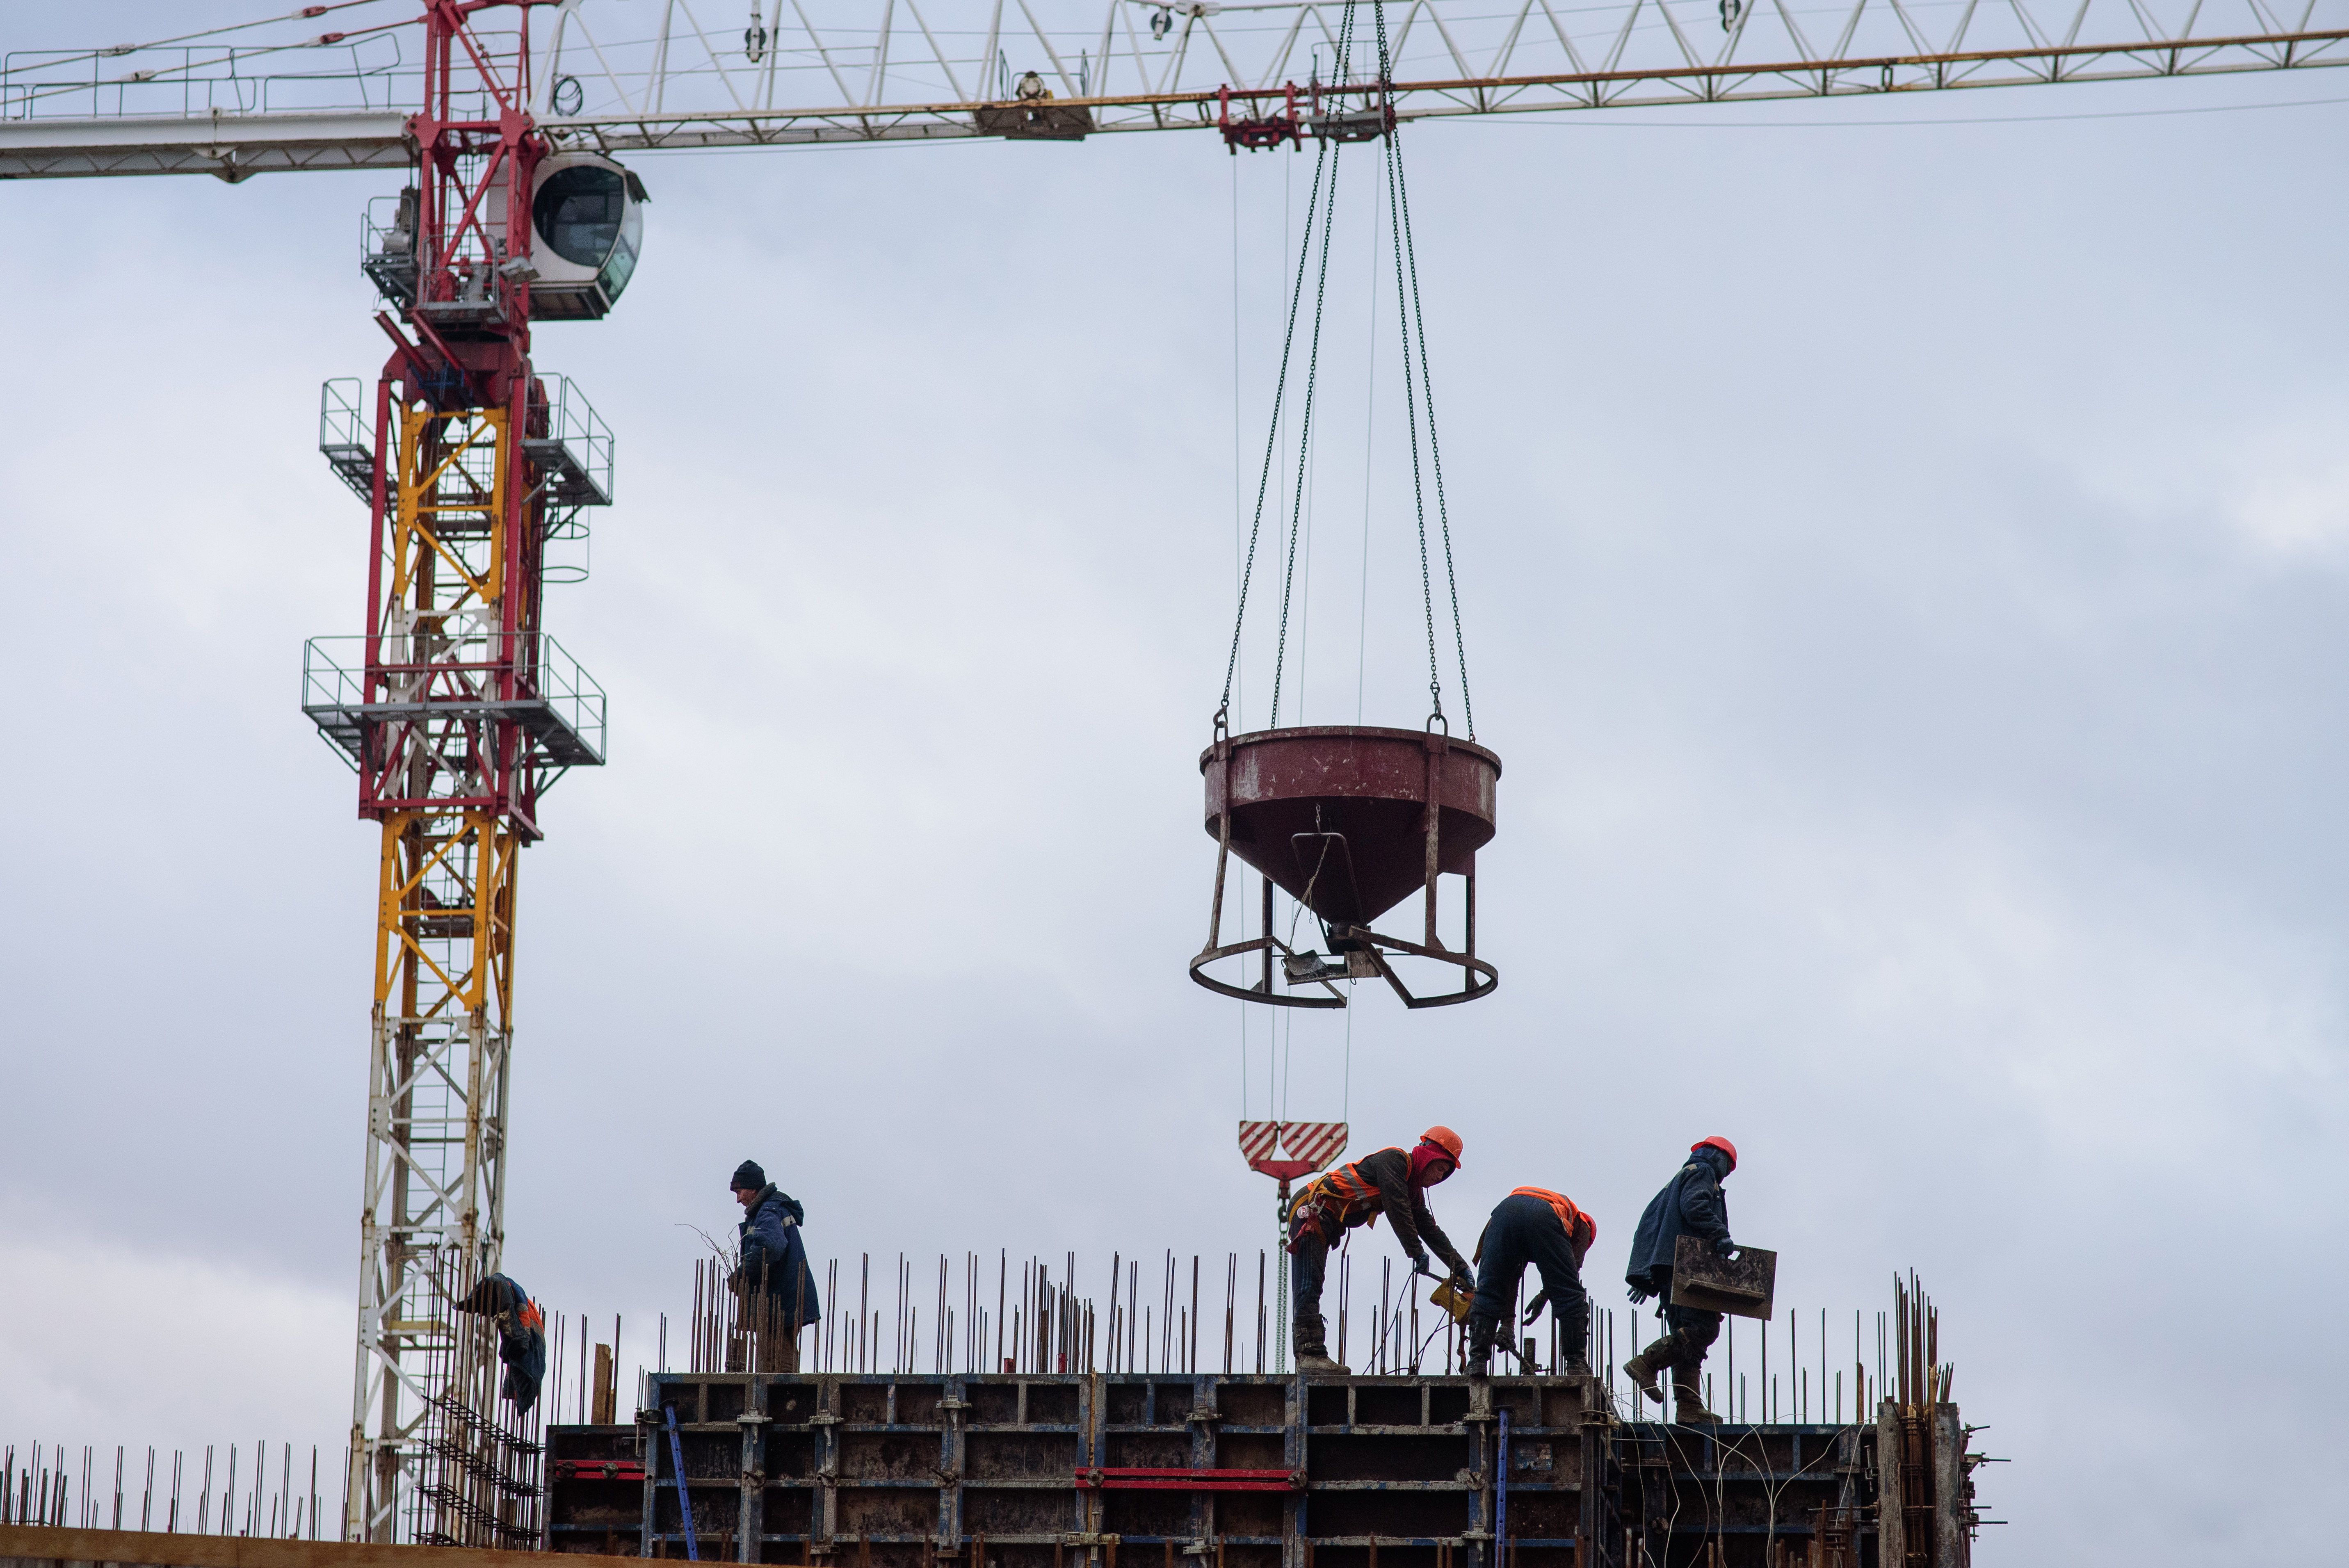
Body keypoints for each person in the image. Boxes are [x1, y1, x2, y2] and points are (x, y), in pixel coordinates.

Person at [1284, 1127, 1473, 1374]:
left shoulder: (1411, 1189)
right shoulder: (1394, 1161)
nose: (1441, 1176)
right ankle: (1310, 1357)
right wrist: (1415, 1251)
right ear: (1429, 1155)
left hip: (1326, 1217)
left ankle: (1310, 1356)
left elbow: (1429, 1230)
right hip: (1312, 1209)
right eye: (1441, 1167)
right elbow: (1397, 1209)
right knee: (1310, 1283)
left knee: (1313, 1282)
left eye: (1446, 1173)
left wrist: (1460, 1268)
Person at [1621, 1136, 1739, 1423]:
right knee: (1704, 1327)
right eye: (1727, 1165)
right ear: (1717, 1156)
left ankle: (1688, 1406)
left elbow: (1651, 1227)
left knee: (1688, 1334)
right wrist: (1718, 1234)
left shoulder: (1676, 1180)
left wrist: (1649, 1274)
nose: (1724, 1173)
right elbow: (1695, 1207)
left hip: (1672, 1265)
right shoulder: (1702, 1171)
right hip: (1688, 1265)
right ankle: (1647, 1362)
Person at [1463, 1187, 1595, 1377]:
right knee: (1569, 1294)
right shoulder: (1584, 1224)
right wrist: (1545, 1296)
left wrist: (1508, 1326)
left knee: (1489, 1289)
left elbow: (1510, 1277)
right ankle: (1577, 1364)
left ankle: (1477, 1361)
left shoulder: (1534, 1216)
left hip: (1505, 1211)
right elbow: (1568, 1275)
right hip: (1544, 1215)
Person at [730, 1159, 822, 1372]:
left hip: (779, 1303)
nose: (738, 1199)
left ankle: (783, 1402)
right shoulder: (771, 1210)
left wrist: (743, 1274)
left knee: (777, 1365)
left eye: (740, 1192)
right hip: (783, 1300)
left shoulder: (768, 1211)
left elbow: (771, 1245)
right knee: (775, 1361)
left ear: (753, 1188)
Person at [453, 1271, 547, 1413]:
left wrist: (513, 1345)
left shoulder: (512, 1300)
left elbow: (522, 1339)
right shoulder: (514, 1297)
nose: (486, 1316)